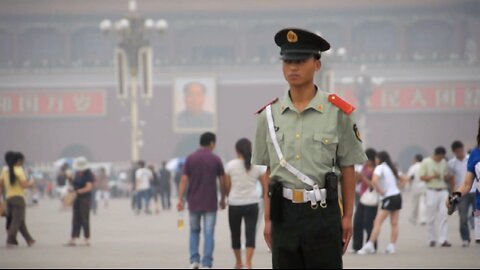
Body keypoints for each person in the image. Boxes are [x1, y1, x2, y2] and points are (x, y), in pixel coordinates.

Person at [252, 28, 367, 268]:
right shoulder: (269, 116)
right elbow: (268, 173)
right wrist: (268, 219)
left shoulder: (338, 113)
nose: (293, 67)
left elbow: (348, 167)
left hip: (323, 215)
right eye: (288, 61)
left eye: (301, 61)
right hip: (283, 215)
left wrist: (348, 216)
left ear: (317, 65)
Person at [176, 132, 227, 269]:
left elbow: (184, 179)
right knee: (209, 232)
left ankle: (194, 260)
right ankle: (207, 262)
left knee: (194, 231)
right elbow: (223, 181)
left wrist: (180, 199)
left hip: (193, 202)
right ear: (211, 143)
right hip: (210, 203)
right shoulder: (216, 159)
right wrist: (223, 198)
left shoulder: (190, 158)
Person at [225, 138, 268, 269]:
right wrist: (262, 197)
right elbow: (265, 186)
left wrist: (229, 195)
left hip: (235, 203)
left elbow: (227, 187)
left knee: (235, 234)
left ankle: (238, 262)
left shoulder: (230, 165)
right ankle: (248, 263)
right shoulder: (256, 166)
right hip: (252, 203)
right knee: (250, 233)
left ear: (236, 150)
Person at [357, 151, 407, 255]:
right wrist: (396, 188)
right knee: (394, 223)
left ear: (379, 159)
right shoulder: (391, 168)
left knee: (377, 222)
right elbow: (404, 179)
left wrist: (380, 190)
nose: (375, 160)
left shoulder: (380, 167)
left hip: (388, 197)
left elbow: (374, 181)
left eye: (376, 158)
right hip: (397, 197)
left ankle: (370, 244)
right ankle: (391, 246)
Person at [446, 117, 480, 245]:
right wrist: (453, 196)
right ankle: (466, 239)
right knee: (464, 217)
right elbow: (466, 184)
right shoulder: (475, 154)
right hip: (474, 200)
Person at [419, 146, 453, 247]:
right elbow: (421, 176)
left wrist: (448, 178)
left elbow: (447, 175)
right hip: (431, 190)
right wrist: (433, 176)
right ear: (436, 155)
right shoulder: (426, 162)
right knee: (431, 216)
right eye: (440, 157)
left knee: (444, 215)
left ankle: (443, 239)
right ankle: (432, 238)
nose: (441, 159)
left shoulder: (444, 162)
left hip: (443, 190)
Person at [0, 151, 35, 247]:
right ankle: (10, 239)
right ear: (18, 161)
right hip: (19, 199)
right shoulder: (19, 170)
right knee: (17, 220)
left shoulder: (4, 170)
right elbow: (24, 185)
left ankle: (29, 239)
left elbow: (1, 185)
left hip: (9, 198)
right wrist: (31, 183)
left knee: (19, 220)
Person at [448, 140, 476, 247]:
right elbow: (451, 180)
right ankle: (465, 238)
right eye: (457, 151)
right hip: (461, 192)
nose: (460, 153)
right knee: (462, 217)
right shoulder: (451, 163)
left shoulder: (471, 159)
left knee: (477, 215)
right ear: (454, 152)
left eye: (461, 150)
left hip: (475, 190)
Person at [352, 148, 378, 253]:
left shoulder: (377, 170)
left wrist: (362, 177)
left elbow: (373, 185)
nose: (365, 161)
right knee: (357, 222)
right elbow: (358, 181)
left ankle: (371, 245)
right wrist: (357, 177)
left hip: (372, 199)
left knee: (368, 223)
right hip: (362, 197)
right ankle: (357, 246)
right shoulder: (364, 167)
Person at [64, 156, 94, 247]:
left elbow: (89, 187)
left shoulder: (89, 174)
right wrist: (70, 178)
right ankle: (73, 238)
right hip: (77, 198)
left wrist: (78, 191)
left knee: (84, 218)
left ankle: (86, 238)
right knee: (75, 218)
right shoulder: (77, 173)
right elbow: (75, 183)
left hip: (85, 198)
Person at [407, 154, 427, 225]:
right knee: (423, 203)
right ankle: (423, 219)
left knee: (414, 204)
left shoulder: (413, 167)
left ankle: (413, 218)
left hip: (415, 187)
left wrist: (409, 185)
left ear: (415, 159)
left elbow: (410, 177)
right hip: (424, 186)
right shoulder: (425, 166)